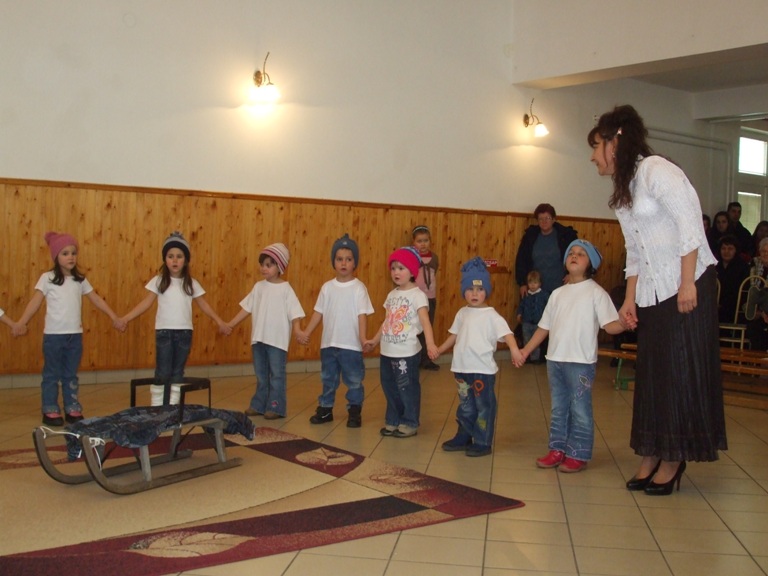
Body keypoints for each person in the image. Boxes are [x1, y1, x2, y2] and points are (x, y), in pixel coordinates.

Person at [589, 105, 727, 495]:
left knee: (680, 373)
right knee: (653, 377)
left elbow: (690, 223)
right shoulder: (623, 193)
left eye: (596, 146)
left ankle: (673, 457)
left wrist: (687, 283)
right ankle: (651, 452)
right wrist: (629, 300)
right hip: (652, 292)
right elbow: (635, 252)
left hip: (686, 285)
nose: (593, 157)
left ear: (615, 142)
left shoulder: (656, 170)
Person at [518, 240, 624, 473]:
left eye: (581, 254)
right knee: (559, 408)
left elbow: (610, 325)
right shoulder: (557, 294)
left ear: (591, 264)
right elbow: (544, 327)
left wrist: (624, 323)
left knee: (580, 409)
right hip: (555, 359)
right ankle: (557, 449)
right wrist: (526, 350)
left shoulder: (596, 293)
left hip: (581, 362)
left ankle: (578, 453)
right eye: (571, 253)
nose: (574, 256)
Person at [12, 232, 124, 426]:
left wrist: (114, 316)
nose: (71, 257)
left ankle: (72, 407)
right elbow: (35, 302)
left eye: (73, 253)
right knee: (51, 374)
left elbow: (96, 299)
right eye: (65, 253)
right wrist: (21, 322)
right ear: (56, 257)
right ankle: (50, 408)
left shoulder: (79, 280)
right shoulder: (47, 278)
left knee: (70, 374)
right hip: (54, 337)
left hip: (74, 336)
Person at [119, 231, 230, 405]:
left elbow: (204, 305)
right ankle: (157, 406)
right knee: (163, 371)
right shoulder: (159, 281)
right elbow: (146, 303)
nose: (175, 260)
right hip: (164, 332)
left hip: (184, 333)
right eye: (170, 256)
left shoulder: (191, 283)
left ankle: (173, 406)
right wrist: (126, 318)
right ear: (165, 259)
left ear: (185, 260)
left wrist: (219, 321)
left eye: (179, 256)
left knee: (178, 372)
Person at [432, 257, 523, 457]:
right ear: (463, 291)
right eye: (470, 289)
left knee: (484, 406)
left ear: (487, 291)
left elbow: (507, 334)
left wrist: (515, 350)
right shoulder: (462, 313)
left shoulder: (492, 315)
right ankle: (464, 435)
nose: (474, 294)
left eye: (480, 289)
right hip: (461, 369)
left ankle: (482, 441)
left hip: (482, 371)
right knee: (466, 405)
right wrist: (440, 349)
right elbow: (454, 335)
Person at [297, 233, 374, 427]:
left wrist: (363, 338)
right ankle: (325, 409)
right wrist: (307, 332)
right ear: (334, 262)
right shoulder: (327, 287)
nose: (344, 263)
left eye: (348, 259)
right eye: (339, 259)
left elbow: (362, 315)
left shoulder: (359, 288)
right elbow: (318, 312)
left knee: (354, 380)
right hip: (329, 344)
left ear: (354, 263)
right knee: (328, 378)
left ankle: (354, 411)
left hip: (351, 346)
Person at [363, 247, 438, 438]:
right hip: (387, 351)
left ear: (412, 271)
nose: (396, 272)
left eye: (401, 268)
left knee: (407, 387)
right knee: (389, 386)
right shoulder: (392, 295)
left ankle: (410, 421)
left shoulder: (417, 295)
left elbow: (425, 322)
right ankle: (393, 419)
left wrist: (430, 344)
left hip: (406, 352)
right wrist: (375, 340)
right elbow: (387, 322)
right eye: (393, 268)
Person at [226, 243, 305, 420]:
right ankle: (259, 404)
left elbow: (295, 313)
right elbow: (247, 308)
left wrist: (298, 330)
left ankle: (276, 406)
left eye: (269, 265)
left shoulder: (286, 289)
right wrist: (231, 324)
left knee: (276, 375)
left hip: (277, 341)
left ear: (280, 267)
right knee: (261, 374)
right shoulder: (258, 287)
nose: (264, 268)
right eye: (262, 264)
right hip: (259, 339)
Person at [515, 203, 577, 298]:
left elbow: (575, 257)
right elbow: (521, 260)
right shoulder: (530, 236)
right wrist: (522, 283)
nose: (544, 221)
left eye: (547, 218)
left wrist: (571, 274)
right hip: (535, 289)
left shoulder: (566, 236)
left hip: (560, 287)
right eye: (541, 218)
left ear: (553, 219)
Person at [412, 225, 440, 371]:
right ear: (414, 242)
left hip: (430, 298)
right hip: (415, 299)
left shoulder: (434, 258)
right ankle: (414, 359)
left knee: (427, 328)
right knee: (414, 329)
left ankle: (426, 359)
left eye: (426, 240)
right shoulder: (413, 257)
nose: (423, 244)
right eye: (419, 241)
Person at [516, 270, 549, 363]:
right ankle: (527, 356)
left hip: (538, 323)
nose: (533, 285)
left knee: (536, 341)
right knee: (526, 339)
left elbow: (548, 307)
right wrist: (519, 314)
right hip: (526, 322)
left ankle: (535, 358)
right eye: (530, 283)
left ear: (540, 283)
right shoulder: (526, 294)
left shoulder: (544, 295)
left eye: (535, 282)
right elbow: (521, 306)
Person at [715, 235, 749, 324]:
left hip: (735, 307)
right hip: (714, 305)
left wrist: (723, 305)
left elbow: (742, 291)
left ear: (736, 250)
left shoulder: (743, 267)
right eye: (723, 248)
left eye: (730, 249)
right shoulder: (714, 266)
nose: (726, 251)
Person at [745, 237, 768, 351]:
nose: (766, 254)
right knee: (754, 326)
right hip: (755, 306)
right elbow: (751, 289)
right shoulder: (754, 264)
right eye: (763, 251)